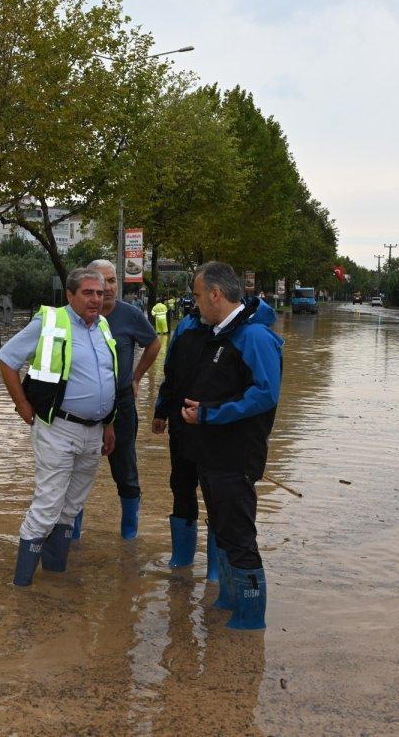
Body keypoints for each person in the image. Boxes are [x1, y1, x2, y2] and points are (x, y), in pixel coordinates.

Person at [153, 261, 282, 630]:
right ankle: (228, 597)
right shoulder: (213, 332)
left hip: (235, 453)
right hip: (208, 451)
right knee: (224, 529)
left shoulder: (254, 337)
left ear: (215, 294)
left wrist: (209, 414)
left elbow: (265, 395)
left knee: (238, 535)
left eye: (196, 295)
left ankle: (250, 620)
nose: (193, 302)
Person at [0, 268, 117, 586]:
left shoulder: (102, 325)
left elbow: (107, 377)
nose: (95, 299)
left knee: (73, 505)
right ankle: (21, 585)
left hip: (93, 430)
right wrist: (21, 404)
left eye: (100, 293)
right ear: (70, 295)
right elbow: (7, 359)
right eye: (88, 293)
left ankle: (55, 579)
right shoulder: (49, 322)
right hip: (58, 428)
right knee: (49, 503)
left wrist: (108, 424)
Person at [74, 259, 160, 540]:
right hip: (81, 410)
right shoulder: (74, 317)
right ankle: (70, 536)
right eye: (101, 282)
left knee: (125, 470)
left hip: (121, 405)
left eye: (112, 281)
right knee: (75, 474)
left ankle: (129, 537)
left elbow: (154, 343)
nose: (108, 288)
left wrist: (136, 377)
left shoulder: (130, 315)